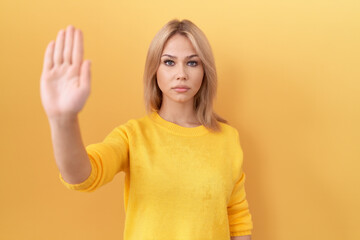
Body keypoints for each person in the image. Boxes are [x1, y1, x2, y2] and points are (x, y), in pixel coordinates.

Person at [40, 19, 253, 240]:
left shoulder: (228, 138)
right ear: (154, 70)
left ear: (204, 71)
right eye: (169, 62)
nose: (181, 73)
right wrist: (63, 119)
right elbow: (81, 175)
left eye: (192, 63)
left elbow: (237, 218)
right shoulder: (133, 136)